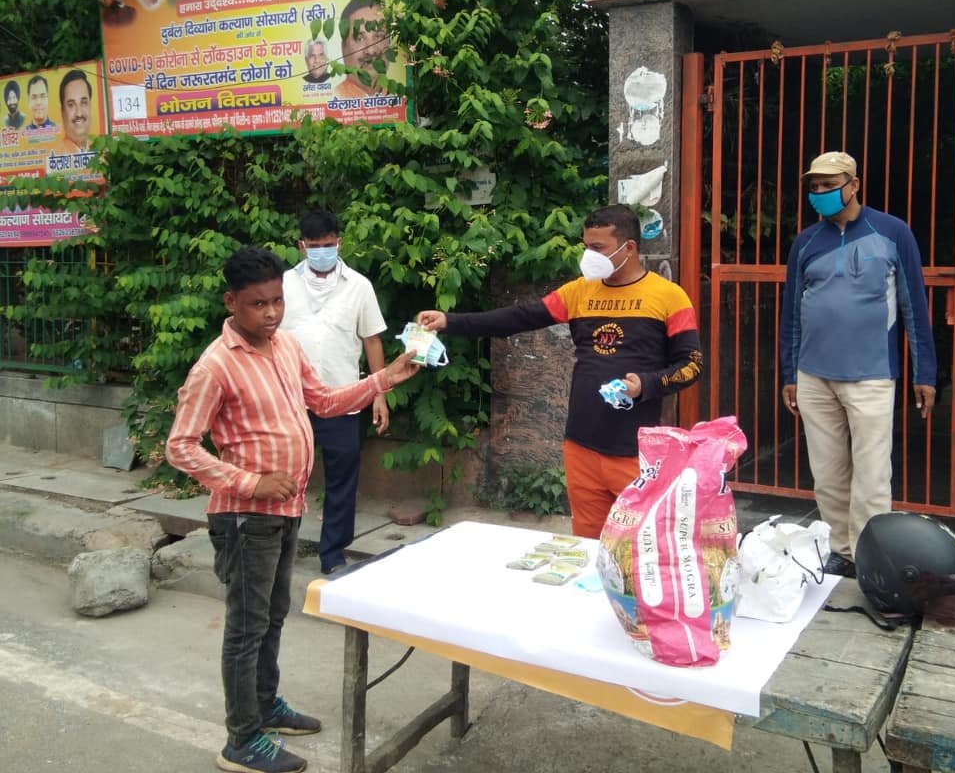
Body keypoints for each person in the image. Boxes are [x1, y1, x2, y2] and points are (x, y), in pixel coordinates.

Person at [166, 247, 419, 773]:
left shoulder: (285, 347)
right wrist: (251, 482)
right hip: (245, 517)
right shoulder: (214, 366)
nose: (272, 313)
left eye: (278, 301)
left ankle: (265, 704)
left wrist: (385, 378)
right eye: (259, 304)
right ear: (231, 302)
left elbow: (323, 402)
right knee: (245, 627)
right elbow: (181, 447)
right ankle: (241, 739)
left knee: (272, 616)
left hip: (287, 509)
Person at [417, 204, 703, 539]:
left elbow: (692, 365)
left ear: (629, 249)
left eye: (598, 248)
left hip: (636, 452)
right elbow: (518, 317)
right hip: (580, 447)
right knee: (586, 545)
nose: (588, 256)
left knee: (636, 547)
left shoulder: (669, 296)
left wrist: (647, 385)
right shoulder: (578, 292)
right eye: (586, 246)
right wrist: (450, 321)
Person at [780, 151, 937, 578]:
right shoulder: (806, 242)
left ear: (854, 184)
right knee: (828, 473)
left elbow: (914, 307)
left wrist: (925, 373)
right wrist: (789, 372)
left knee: (871, 475)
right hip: (814, 376)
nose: (820, 193)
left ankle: (873, 556)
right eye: (814, 187)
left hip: (871, 375)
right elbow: (791, 311)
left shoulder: (891, 233)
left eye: (829, 185)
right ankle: (840, 550)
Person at [279, 211, 390, 575]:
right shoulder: (282, 285)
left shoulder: (359, 286)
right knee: (286, 477)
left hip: (344, 399)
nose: (323, 252)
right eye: (315, 247)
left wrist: (379, 394)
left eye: (329, 245)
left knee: (343, 478)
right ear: (302, 246)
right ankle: (279, 547)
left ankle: (333, 555)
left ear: (339, 243)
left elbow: (371, 339)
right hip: (291, 400)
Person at [335, 0, 390, 99]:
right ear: (343, 48)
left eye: (379, 36)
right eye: (359, 38)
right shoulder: (333, 98)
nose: (371, 50)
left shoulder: (401, 97)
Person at [50, 70, 93, 154]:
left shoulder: (102, 152)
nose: (79, 113)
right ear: (62, 111)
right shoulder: (55, 156)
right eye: (71, 105)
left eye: (83, 102)